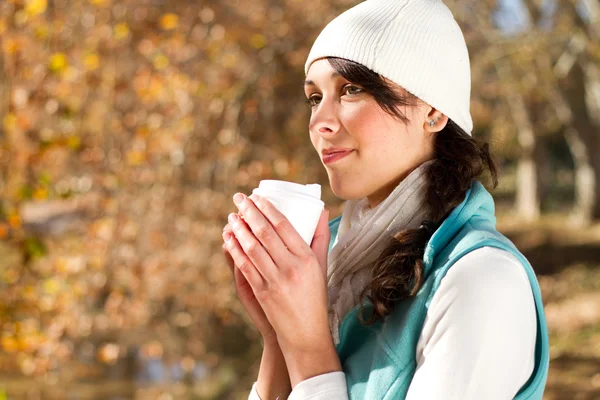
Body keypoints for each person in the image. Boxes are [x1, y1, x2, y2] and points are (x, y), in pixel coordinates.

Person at [221, 0, 550, 398]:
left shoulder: (481, 281)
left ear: (433, 112)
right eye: (314, 97)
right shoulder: (326, 256)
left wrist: (308, 347)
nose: (319, 122)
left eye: (352, 89)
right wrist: (279, 335)